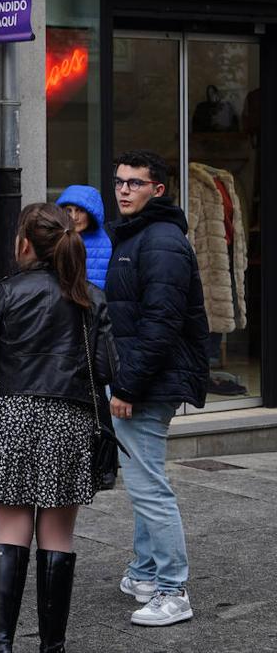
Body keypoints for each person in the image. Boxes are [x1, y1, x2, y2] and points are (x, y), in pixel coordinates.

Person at [0, 203, 118, 653]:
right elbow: (108, 368)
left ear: (26, 244)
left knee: (10, 535)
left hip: (11, 416)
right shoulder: (90, 297)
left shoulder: (4, 292)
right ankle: (52, 646)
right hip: (69, 420)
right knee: (58, 538)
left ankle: (0, 645)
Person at [104, 150, 209, 627]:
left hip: (148, 382)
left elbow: (160, 323)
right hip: (144, 379)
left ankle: (173, 590)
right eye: (121, 182)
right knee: (144, 481)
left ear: (157, 190)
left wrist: (127, 385)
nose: (124, 190)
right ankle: (145, 573)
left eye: (136, 183)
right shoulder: (140, 234)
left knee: (150, 488)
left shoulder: (161, 240)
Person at [57, 184, 113, 289]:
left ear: (92, 214)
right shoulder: (56, 239)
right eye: (68, 211)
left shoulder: (107, 242)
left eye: (80, 210)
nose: (74, 217)